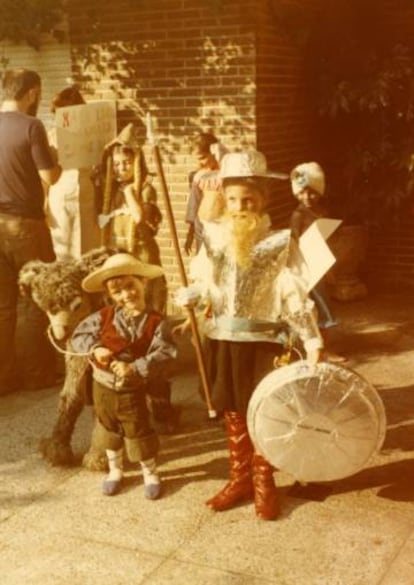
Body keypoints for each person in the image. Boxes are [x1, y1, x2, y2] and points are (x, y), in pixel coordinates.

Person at [174, 150, 323, 521]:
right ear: (224, 201)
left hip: (265, 343)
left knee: (265, 412)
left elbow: (293, 294)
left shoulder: (278, 243)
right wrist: (195, 295)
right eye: (234, 199)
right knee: (233, 411)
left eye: (249, 200)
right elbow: (213, 287)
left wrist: (312, 340)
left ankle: (263, 481)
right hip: (225, 340)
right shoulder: (216, 241)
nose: (241, 207)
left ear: (263, 201)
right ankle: (239, 478)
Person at [71, 252, 177, 498]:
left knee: (137, 427)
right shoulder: (104, 316)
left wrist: (136, 367)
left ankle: (150, 472)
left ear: (143, 282)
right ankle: (115, 470)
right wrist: (96, 348)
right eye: (118, 292)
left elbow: (166, 352)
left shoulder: (156, 322)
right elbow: (79, 336)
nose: (127, 295)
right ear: (110, 295)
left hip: (132, 387)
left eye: (131, 286)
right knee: (108, 427)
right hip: (103, 385)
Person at [0, 68, 62, 395]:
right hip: (25, 224)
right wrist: (56, 157)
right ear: (33, 93)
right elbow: (50, 177)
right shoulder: (32, 126)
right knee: (33, 300)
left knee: (3, 305)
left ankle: (4, 378)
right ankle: (36, 374)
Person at [96, 123, 167, 314]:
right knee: (124, 299)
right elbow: (103, 221)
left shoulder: (144, 189)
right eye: (117, 164)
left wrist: (129, 192)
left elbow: (138, 217)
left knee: (147, 296)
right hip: (120, 252)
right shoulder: (111, 192)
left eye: (126, 163)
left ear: (136, 162)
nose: (121, 168)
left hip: (141, 252)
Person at [289, 161, 345, 362]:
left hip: (321, 263)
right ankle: (318, 349)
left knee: (324, 305)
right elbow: (294, 242)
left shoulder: (322, 212)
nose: (307, 197)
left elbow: (326, 239)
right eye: (302, 193)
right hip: (307, 266)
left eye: (312, 192)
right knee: (316, 306)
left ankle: (323, 347)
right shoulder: (298, 215)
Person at [45, 85, 100, 259]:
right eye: (59, 112)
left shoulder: (92, 135)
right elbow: (46, 173)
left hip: (85, 192)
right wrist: (44, 201)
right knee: (62, 245)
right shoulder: (52, 136)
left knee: (87, 244)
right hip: (60, 191)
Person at [184, 131, 227, 256]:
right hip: (201, 228)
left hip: (222, 228)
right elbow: (194, 204)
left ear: (214, 152)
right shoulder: (199, 177)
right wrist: (190, 234)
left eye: (203, 157)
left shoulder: (226, 175)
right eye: (197, 159)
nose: (200, 163)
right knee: (204, 263)